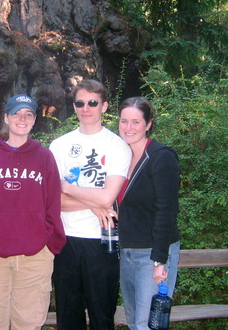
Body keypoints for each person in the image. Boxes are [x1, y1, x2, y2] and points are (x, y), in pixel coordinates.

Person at [0, 94, 66, 330]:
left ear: (34, 121)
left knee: (29, 322)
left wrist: (49, 244)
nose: (22, 119)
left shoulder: (44, 157)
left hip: (34, 256)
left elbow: (53, 204)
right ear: (6, 118)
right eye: (16, 114)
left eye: (28, 114)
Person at [49, 79, 132, 330]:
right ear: (74, 107)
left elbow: (108, 199)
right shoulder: (58, 146)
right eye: (80, 102)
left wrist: (67, 187)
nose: (87, 108)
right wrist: (93, 203)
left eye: (93, 102)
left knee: (102, 316)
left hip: (102, 241)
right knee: (68, 316)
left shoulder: (117, 145)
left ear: (104, 106)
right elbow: (52, 203)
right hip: (65, 242)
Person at [117, 96, 180, 330]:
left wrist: (160, 260)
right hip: (127, 252)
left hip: (152, 254)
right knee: (134, 322)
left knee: (148, 325)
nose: (129, 128)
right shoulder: (121, 157)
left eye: (136, 122)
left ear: (148, 123)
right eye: (124, 121)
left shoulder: (161, 157)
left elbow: (167, 211)